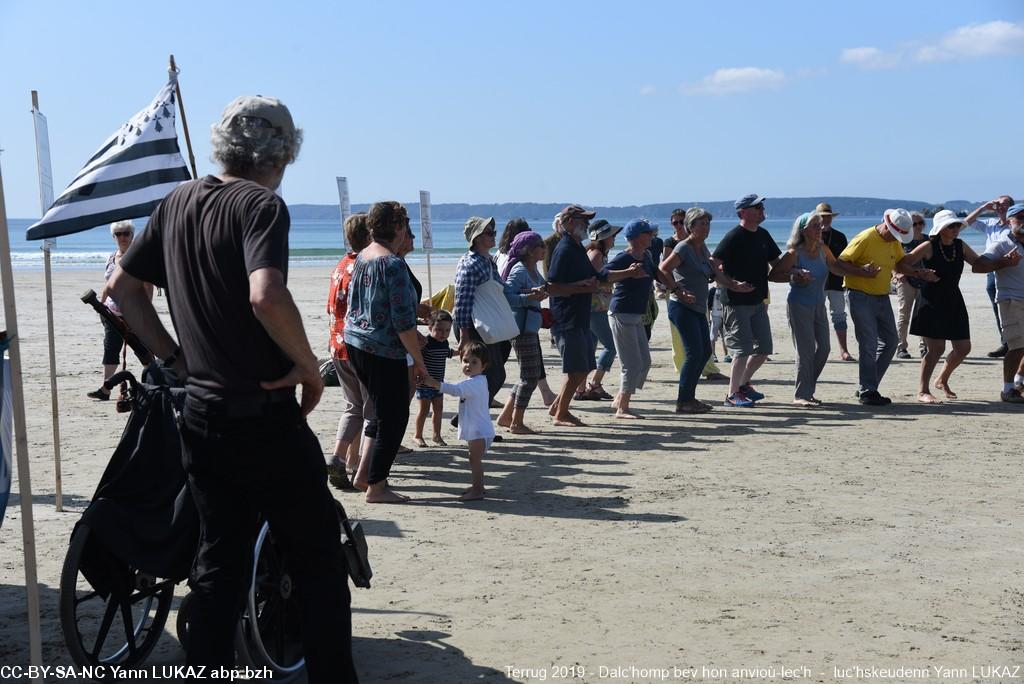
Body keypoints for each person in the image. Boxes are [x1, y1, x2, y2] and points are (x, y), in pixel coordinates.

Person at [108, 95, 358, 681]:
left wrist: (175, 358)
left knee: (219, 561)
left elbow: (123, 286)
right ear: (283, 153)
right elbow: (266, 295)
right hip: (261, 411)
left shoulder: (178, 201)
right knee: (320, 562)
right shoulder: (260, 206)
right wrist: (305, 364)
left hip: (200, 413)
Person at [346, 200, 429, 503]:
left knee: (382, 413)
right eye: (405, 224)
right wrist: (419, 362)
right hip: (381, 350)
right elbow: (403, 323)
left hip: (357, 343)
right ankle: (376, 486)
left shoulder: (364, 255)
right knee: (394, 418)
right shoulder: (391, 263)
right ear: (397, 226)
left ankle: (365, 474)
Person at [546, 205, 645, 426]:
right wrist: (582, 288)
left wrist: (628, 273)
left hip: (580, 315)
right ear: (569, 222)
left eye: (587, 221)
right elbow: (552, 286)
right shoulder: (564, 248)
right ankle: (561, 413)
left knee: (585, 365)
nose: (586, 225)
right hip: (566, 317)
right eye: (583, 220)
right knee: (576, 369)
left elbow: (600, 277)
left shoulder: (576, 247)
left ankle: (557, 408)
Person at [771, 212, 878, 406]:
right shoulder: (794, 252)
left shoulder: (822, 249)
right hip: (798, 305)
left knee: (824, 349)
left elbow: (837, 267)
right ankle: (801, 395)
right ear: (803, 230)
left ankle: (807, 388)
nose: (820, 228)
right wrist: (795, 274)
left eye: (820, 225)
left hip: (819, 304)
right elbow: (774, 274)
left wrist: (862, 271)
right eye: (815, 225)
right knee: (805, 351)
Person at [838, 208, 933, 406]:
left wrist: (918, 272)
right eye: (894, 233)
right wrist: (862, 272)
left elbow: (899, 265)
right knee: (869, 343)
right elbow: (840, 264)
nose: (895, 238)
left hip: (881, 296)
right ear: (886, 225)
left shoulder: (893, 241)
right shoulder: (865, 238)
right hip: (859, 294)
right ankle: (867, 390)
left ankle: (868, 386)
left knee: (890, 342)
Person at [660, 207, 751, 413]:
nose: (706, 227)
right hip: (681, 307)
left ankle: (689, 398)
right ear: (690, 226)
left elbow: (716, 274)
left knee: (704, 353)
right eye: (702, 223)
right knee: (694, 353)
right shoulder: (683, 247)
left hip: (697, 308)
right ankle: (684, 401)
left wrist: (735, 285)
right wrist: (678, 290)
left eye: (708, 223)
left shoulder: (702, 248)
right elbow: (663, 269)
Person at [608, 218, 691, 418]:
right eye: (648, 234)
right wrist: (628, 273)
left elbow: (657, 273)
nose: (652, 237)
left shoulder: (645, 255)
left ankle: (620, 398)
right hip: (621, 312)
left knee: (644, 361)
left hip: (637, 313)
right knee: (632, 363)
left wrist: (678, 290)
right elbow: (604, 275)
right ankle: (622, 408)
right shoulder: (624, 257)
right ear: (636, 238)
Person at [896, 210, 981, 403]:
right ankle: (922, 391)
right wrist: (919, 273)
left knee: (963, 347)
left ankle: (941, 379)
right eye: (951, 226)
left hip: (953, 299)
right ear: (941, 228)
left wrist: (1002, 262)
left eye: (957, 225)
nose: (956, 228)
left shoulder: (960, 246)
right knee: (935, 348)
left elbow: (978, 263)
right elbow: (902, 264)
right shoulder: (928, 246)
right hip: (931, 300)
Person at [712, 194, 786, 407]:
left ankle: (743, 385)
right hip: (735, 303)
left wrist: (795, 268)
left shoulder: (763, 234)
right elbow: (713, 262)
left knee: (764, 349)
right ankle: (731, 395)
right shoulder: (734, 236)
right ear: (743, 212)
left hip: (758, 301)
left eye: (762, 207)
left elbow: (776, 263)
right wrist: (731, 284)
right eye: (757, 207)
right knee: (742, 351)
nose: (762, 210)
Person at [325, 213, 371, 490]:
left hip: (338, 343)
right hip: (360, 345)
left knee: (354, 406)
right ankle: (358, 464)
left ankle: (345, 458)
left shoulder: (340, 265)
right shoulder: (365, 267)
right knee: (370, 410)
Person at [420, 341, 494, 501]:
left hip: (479, 430)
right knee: (474, 458)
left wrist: (434, 383)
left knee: (474, 459)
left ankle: (478, 490)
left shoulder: (476, 383)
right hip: (478, 428)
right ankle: (477, 486)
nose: (468, 365)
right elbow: (456, 387)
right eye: (465, 361)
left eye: (474, 362)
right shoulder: (476, 380)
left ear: (484, 366)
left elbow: (455, 390)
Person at [88, 220, 152, 400]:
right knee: (110, 348)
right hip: (111, 312)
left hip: (134, 312)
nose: (122, 237)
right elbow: (107, 285)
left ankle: (154, 381)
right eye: (118, 234)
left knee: (143, 350)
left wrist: (146, 310)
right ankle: (105, 389)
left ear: (132, 235)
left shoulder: (138, 257)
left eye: (126, 233)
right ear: (114, 237)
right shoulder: (111, 257)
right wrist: (101, 307)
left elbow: (148, 285)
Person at [454, 217, 511, 413]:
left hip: (485, 323)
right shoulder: (471, 264)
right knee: (494, 375)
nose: (494, 235)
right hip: (473, 325)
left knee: (489, 375)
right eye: (489, 232)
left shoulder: (488, 261)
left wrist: (528, 294)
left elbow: (502, 289)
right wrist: (464, 335)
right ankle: (469, 415)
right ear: (476, 238)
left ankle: (475, 418)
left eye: (494, 231)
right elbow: (462, 300)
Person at [971, 203, 1024, 403]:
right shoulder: (1003, 243)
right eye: (1019, 218)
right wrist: (1004, 262)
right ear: (1009, 221)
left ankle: (1020, 381)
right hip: (1011, 299)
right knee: (1016, 346)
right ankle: (1007, 389)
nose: (1023, 222)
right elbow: (978, 266)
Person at [497, 231, 549, 434]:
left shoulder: (532, 268)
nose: (544, 249)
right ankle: (517, 423)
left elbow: (530, 291)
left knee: (527, 375)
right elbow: (508, 296)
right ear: (529, 250)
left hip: (529, 327)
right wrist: (529, 298)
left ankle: (506, 416)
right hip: (521, 329)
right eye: (541, 246)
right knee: (530, 377)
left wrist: (538, 293)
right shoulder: (519, 270)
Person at [576, 219, 621, 400]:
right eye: (612, 236)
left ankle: (580, 389)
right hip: (596, 307)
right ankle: (594, 384)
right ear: (603, 238)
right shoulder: (596, 254)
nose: (614, 239)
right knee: (611, 345)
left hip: (594, 306)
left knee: (590, 348)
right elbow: (593, 280)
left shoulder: (595, 253)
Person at [965, 195, 1015, 357]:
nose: (1000, 207)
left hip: (1012, 268)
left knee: (1015, 304)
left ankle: (1015, 342)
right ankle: (1006, 342)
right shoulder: (991, 224)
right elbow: (966, 223)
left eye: (1005, 205)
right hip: (992, 270)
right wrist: (983, 208)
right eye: (998, 204)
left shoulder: (1016, 225)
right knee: (998, 306)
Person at [817, 202, 854, 361]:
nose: (826, 220)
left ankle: (844, 350)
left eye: (828, 217)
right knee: (816, 316)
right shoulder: (810, 235)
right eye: (823, 217)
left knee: (839, 316)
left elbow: (846, 260)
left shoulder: (839, 236)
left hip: (836, 282)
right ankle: (818, 349)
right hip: (816, 282)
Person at [413, 309, 455, 447]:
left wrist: (460, 352)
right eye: (439, 330)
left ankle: (436, 435)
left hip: (438, 383)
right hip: (424, 383)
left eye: (447, 330)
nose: (444, 334)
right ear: (430, 328)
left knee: (438, 409)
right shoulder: (426, 342)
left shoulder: (444, 343)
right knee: (424, 410)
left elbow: (447, 353)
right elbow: (416, 357)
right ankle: (418, 435)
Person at [894, 212, 928, 359]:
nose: (918, 226)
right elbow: (892, 258)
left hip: (925, 282)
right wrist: (896, 274)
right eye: (915, 224)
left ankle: (925, 348)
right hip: (906, 281)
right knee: (904, 314)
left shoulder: (928, 240)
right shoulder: (901, 240)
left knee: (924, 315)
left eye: (921, 223)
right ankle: (901, 347)